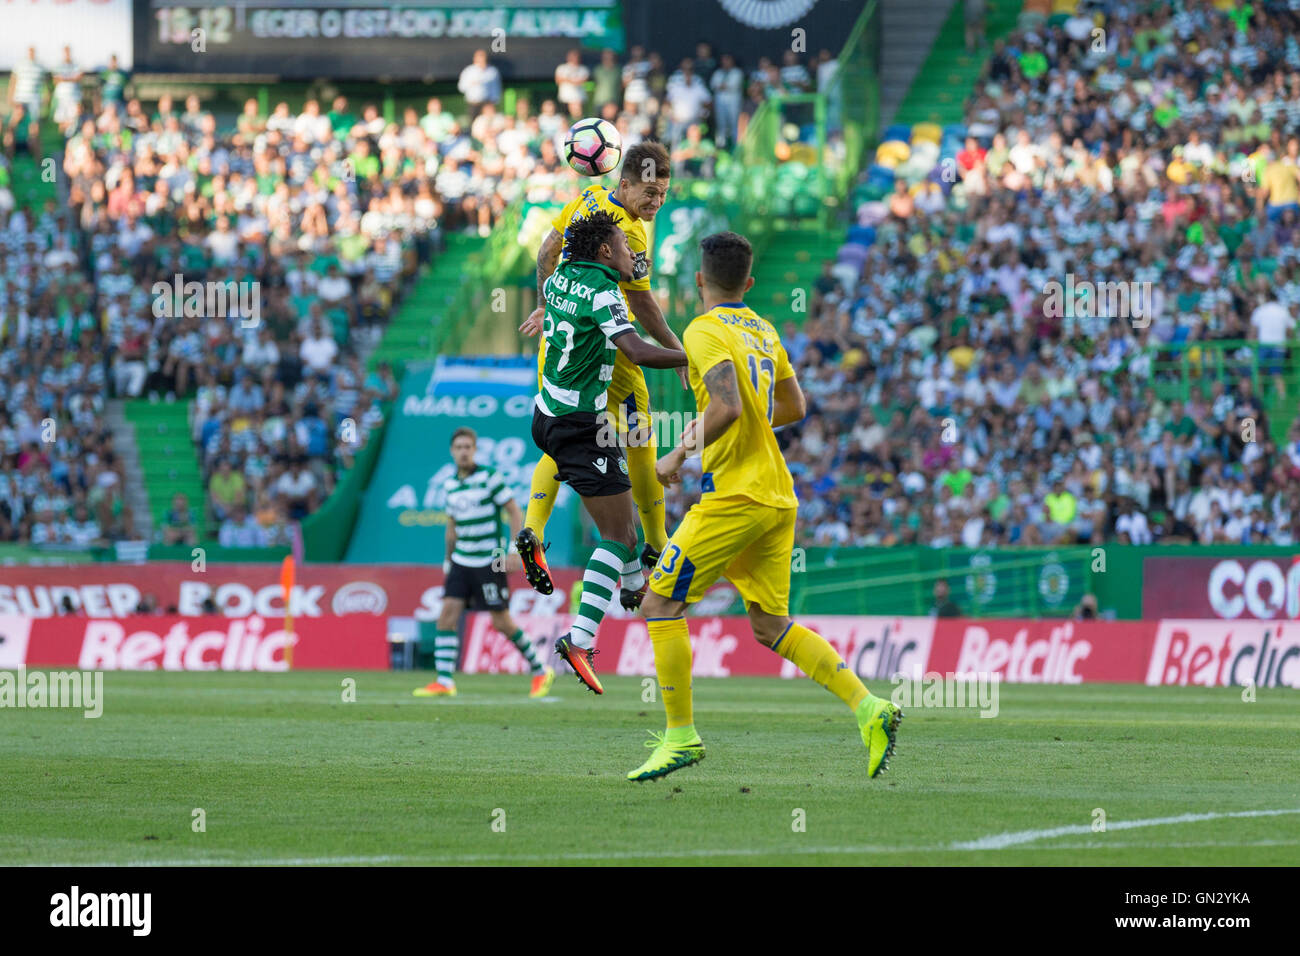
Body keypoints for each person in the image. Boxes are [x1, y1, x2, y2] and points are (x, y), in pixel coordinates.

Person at [630, 231, 902, 782]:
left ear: (700, 281)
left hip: (735, 494)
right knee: (770, 623)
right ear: (749, 283)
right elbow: (794, 406)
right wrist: (746, 419)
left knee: (658, 605)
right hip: (778, 496)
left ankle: (681, 737)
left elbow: (727, 407)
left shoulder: (703, 329)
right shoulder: (764, 327)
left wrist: (678, 454)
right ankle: (869, 707)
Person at [524, 211, 687, 694]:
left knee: (625, 528)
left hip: (547, 415)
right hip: (581, 426)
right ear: (603, 252)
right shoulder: (603, 291)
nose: (631, 251)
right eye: (622, 243)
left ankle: (635, 584)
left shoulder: (560, 279)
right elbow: (636, 351)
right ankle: (579, 638)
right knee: (616, 537)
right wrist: (695, 355)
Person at [516, 141, 685, 598]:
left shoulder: (587, 201)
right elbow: (643, 302)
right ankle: (656, 545)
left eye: (663, 193)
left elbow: (547, 251)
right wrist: (677, 349)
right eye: (649, 193)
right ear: (624, 184)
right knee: (639, 441)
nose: (656, 202)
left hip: (559, 349)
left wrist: (545, 304)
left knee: (566, 437)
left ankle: (533, 528)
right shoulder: (626, 233)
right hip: (607, 350)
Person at [414, 428, 555, 699]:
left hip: (488, 563)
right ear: (452, 452)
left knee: (501, 622)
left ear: (475, 450)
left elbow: (514, 509)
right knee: (446, 617)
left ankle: (540, 670)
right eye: (459, 447)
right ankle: (444, 681)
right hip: (460, 561)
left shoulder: (490, 478)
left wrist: (516, 550)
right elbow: (451, 526)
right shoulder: (449, 485)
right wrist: (447, 560)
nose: (463, 451)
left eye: (468, 447)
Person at [457, 49, 502, 118]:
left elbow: (496, 89)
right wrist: (471, 84)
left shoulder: (493, 71)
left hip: (487, 105)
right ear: (475, 59)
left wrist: (493, 103)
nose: (481, 60)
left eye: (483, 57)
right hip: (473, 104)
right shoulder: (468, 71)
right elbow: (461, 87)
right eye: (479, 57)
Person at [555, 49, 590, 120]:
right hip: (565, 99)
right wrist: (573, 81)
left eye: (576, 56)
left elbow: (585, 81)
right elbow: (558, 80)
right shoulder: (562, 68)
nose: (574, 58)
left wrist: (568, 80)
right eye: (572, 56)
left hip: (579, 99)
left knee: (579, 119)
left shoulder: (584, 69)